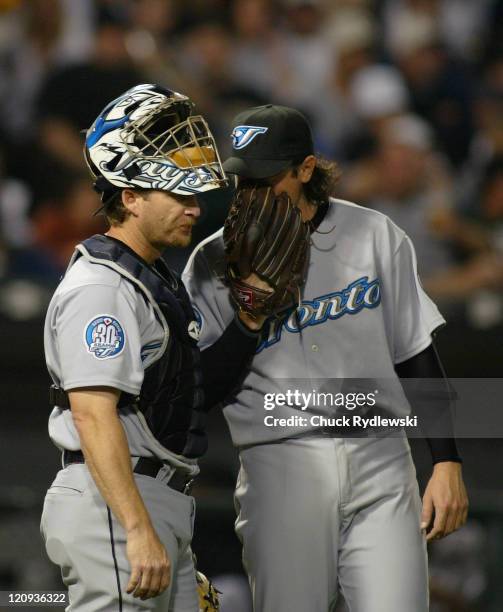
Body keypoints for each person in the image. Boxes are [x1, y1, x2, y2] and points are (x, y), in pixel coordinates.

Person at [183, 104, 469, 612]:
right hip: (280, 461)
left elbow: (416, 353)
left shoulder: (374, 234)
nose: (251, 193)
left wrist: (446, 460)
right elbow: (200, 390)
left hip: (380, 458)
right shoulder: (211, 260)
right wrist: (248, 320)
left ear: (306, 169)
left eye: (266, 179)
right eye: (243, 180)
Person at [40, 83, 260, 611]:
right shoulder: (102, 287)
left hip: (150, 498)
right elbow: (93, 416)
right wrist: (137, 529)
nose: (193, 207)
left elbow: (187, 393)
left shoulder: (149, 279)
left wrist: (250, 320)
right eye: (178, 195)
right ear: (131, 197)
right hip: (114, 504)